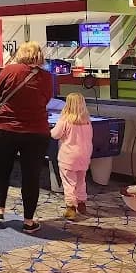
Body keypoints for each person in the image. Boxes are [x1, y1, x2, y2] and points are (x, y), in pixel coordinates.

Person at [0, 41, 53, 233]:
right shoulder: (47, 77)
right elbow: (46, 99)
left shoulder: (10, 70)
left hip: (6, 129)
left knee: (2, 171)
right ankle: (28, 221)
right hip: (36, 131)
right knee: (31, 176)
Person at [50, 93, 93, 221]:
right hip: (84, 156)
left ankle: (71, 207)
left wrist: (49, 130)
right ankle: (81, 203)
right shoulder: (87, 121)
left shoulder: (65, 120)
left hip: (68, 157)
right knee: (81, 180)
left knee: (69, 182)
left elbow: (55, 135)